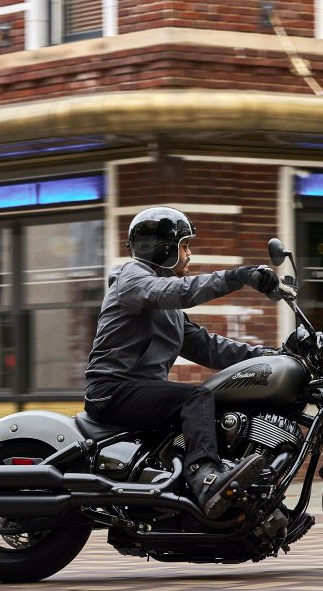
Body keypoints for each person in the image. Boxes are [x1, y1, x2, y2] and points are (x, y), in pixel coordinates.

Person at [84, 206, 280, 517]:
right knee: (197, 396)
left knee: (216, 401)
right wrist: (238, 276)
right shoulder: (133, 279)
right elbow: (176, 292)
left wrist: (272, 355)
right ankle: (205, 477)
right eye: (184, 245)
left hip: (139, 390)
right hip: (112, 389)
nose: (189, 254)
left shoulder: (167, 307)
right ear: (163, 249)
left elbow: (209, 348)